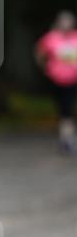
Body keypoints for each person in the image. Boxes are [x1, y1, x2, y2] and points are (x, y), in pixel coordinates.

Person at [35, 10, 77, 153]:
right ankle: (66, 139)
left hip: (74, 79)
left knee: (68, 111)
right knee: (64, 111)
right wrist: (47, 69)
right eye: (63, 21)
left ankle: (67, 139)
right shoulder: (51, 38)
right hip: (58, 81)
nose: (66, 24)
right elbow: (40, 54)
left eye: (68, 21)